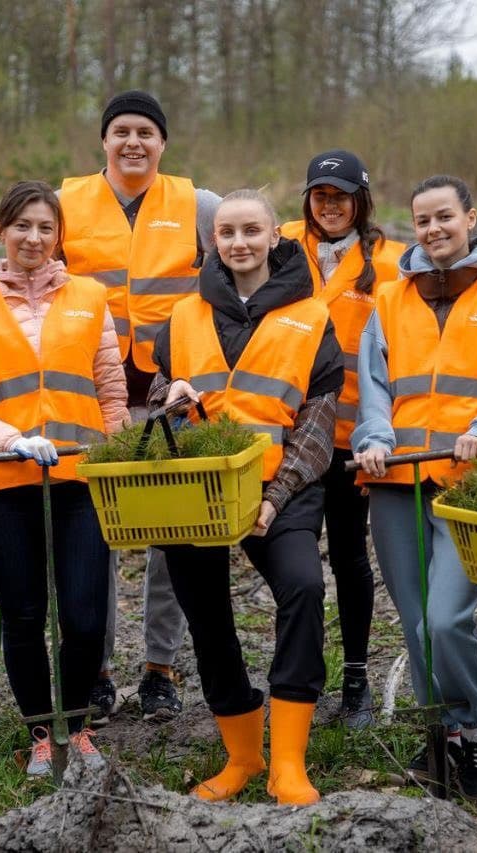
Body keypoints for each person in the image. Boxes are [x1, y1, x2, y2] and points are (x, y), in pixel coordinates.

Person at [352, 174, 477, 799]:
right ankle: (440, 736)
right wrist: (373, 439)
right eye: (423, 221)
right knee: (412, 621)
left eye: (445, 218)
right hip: (396, 482)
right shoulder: (389, 300)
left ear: (470, 217)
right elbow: (374, 388)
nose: (434, 230)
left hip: (469, 488)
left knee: (445, 619)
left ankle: (474, 725)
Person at [149, 189, 343, 806]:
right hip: (197, 489)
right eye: (226, 231)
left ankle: (289, 760)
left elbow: (317, 425)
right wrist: (167, 395)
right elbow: (162, 397)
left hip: (279, 487)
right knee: (205, 613)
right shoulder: (183, 317)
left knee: (304, 590)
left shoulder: (312, 316)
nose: (238, 242)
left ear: (274, 237)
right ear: (213, 241)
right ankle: (242, 757)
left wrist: (277, 495)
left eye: (251, 231)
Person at [0, 181, 128, 776]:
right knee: (23, 615)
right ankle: (40, 735)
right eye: (22, 225)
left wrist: (119, 459)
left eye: (46, 228)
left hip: (80, 480)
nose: (34, 237)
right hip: (3, 484)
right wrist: (11, 441)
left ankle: (78, 727)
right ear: (1, 230)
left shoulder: (90, 296)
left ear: (59, 237)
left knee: (82, 615)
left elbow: (111, 387)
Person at [58, 90, 222, 723]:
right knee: (91, 530)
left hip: (170, 390)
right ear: (104, 140)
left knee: (168, 531)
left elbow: (246, 251)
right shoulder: (66, 204)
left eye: (146, 132)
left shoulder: (197, 204)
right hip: (91, 392)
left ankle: (160, 667)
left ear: (163, 143)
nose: (133, 142)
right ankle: (94, 667)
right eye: (121, 130)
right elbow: (27, 264)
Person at [279, 150, 405, 728]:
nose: (330, 206)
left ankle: (356, 678)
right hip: (293, 433)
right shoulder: (280, 245)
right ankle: (300, 677)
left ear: (361, 200)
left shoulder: (392, 261)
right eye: (320, 196)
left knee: (351, 558)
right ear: (307, 199)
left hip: (354, 439)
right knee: (295, 558)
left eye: (341, 196)